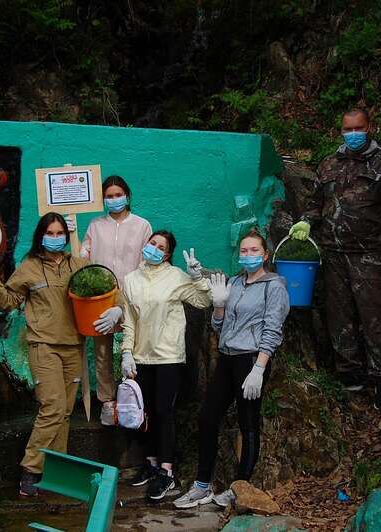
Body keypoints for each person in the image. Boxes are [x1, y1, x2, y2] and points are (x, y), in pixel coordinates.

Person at [0, 212, 122, 497]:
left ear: (66, 236)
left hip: (74, 346)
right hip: (44, 346)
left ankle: (56, 470)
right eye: (50, 233)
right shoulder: (29, 267)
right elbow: (7, 302)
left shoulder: (78, 265)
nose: (55, 238)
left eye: (60, 233)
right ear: (40, 236)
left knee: (64, 412)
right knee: (52, 407)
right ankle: (30, 469)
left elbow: (108, 288)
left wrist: (117, 308)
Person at [288, 108, 381, 410]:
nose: (353, 134)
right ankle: (350, 374)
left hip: (369, 254)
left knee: (374, 316)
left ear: (369, 127)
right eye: (347, 129)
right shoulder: (329, 163)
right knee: (339, 315)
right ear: (341, 131)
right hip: (333, 253)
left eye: (358, 128)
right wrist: (306, 221)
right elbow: (316, 202)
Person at [173, 229, 290, 509]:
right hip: (227, 359)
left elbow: (273, 329)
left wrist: (259, 368)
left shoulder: (274, 286)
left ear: (265, 255)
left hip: (251, 360)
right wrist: (218, 306)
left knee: (248, 423)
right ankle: (202, 485)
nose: (248, 255)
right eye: (244, 251)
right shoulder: (234, 282)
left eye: (254, 250)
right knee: (207, 417)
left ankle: (240, 487)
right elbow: (219, 327)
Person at [120, 230, 211, 500]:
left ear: (168, 254)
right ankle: (151, 464)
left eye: (161, 247)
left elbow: (203, 301)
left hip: (168, 356)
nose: (155, 249)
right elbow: (129, 321)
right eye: (152, 243)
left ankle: (167, 471)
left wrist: (198, 278)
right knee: (146, 412)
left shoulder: (175, 277)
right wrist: (126, 353)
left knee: (164, 411)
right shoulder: (131, 279)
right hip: (141, 356)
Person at [80, 175, 153, 426]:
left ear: (127, 196)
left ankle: (135, 398)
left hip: (132, 292)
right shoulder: (95, 225)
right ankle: (108, 401)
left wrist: (131, 296)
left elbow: (147, 261)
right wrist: (73, 236)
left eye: (118, 195)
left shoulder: (142, 225)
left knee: (136, 346)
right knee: (102, 351)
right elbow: (83, 256)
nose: (114, 199)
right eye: (109, 196)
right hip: (101, 294)